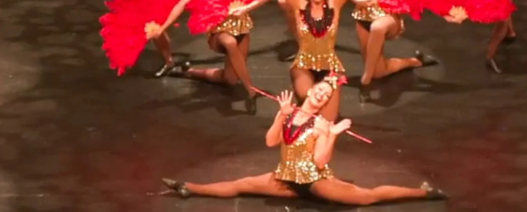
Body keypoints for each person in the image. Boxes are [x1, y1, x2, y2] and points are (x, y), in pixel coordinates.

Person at [160, 74, 447, 205]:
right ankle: (188, 188)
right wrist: (279, 116)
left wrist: (331, 135)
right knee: (240, 185)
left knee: (367, 196)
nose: (321, 95)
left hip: (315, 183)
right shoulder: (289, 113)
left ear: (323, 103)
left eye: (326, 96)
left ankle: (425, 192)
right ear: (309, 92)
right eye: (319, 90)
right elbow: (272, 142)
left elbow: (321, 160)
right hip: (285, 180)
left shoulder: (322, 124)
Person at [260, 0, 368, 122]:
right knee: (312, 102)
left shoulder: (334, 5)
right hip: (304, 65)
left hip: (330, 67)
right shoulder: (299, 5)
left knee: (326, 121)